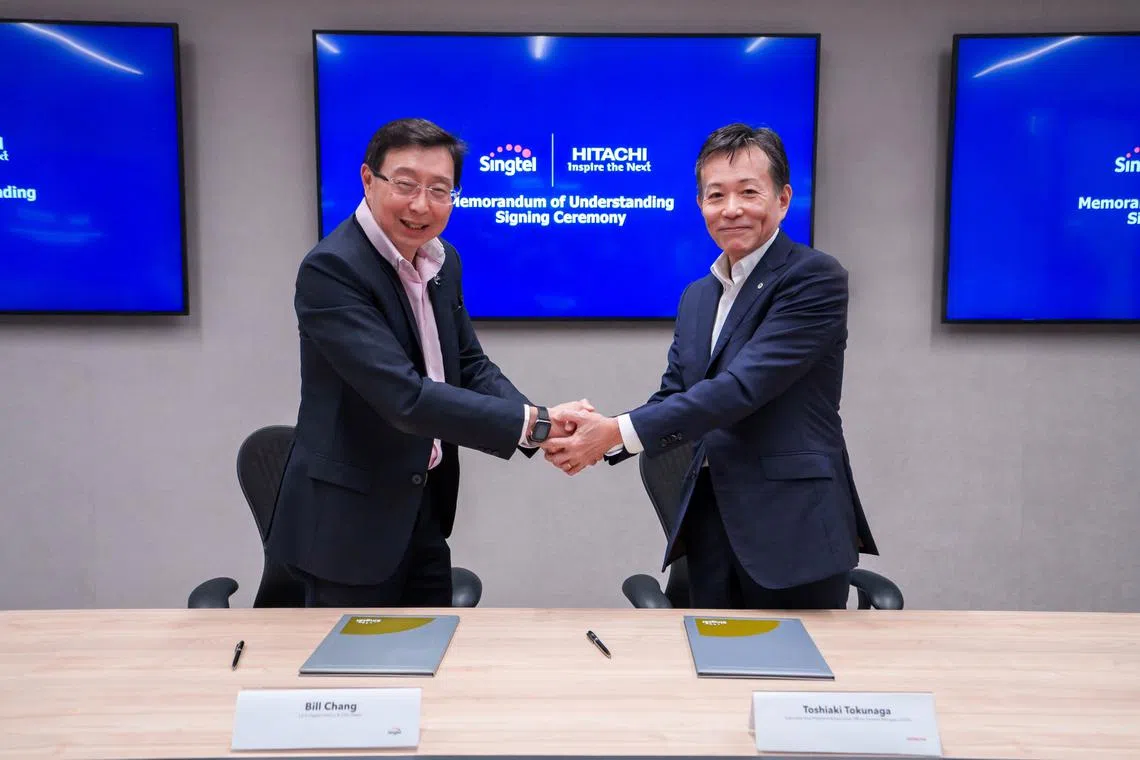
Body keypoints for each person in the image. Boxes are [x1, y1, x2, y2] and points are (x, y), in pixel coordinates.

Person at [543, 123, 877, 610]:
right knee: (695, 674)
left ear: (783, 199)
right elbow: (675, 395)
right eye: (715, 195)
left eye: (748, 192)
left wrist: (613, 432)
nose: (731, 208)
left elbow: (741, 390)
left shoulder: (814, 278)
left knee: (791, 676)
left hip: (793, 533)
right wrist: (594, 436)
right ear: (700, 205)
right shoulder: (698, 296)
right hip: (704, 528)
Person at [266, 117, 589, 607]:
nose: (422, 204)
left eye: (440, 189)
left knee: (432, 661)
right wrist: (535, 425)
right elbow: (405, 398)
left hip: (422, 508)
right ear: (367, 180)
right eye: (406, 184)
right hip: (347, 528)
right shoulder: (332, 270)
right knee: (357, 675)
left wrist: (535, 417)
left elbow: (469, 363)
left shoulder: (442, 260)